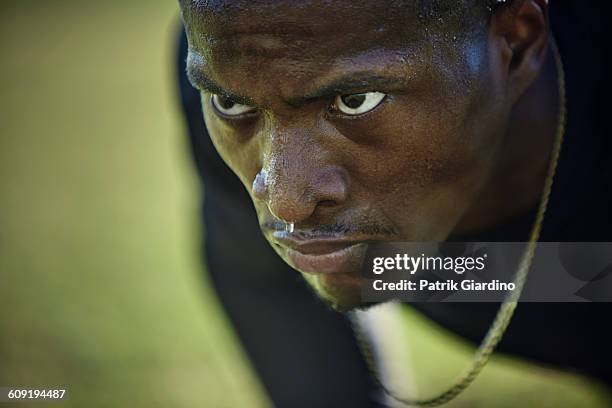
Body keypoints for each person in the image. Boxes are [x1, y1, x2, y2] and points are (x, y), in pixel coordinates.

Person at [176, 1, 612, 406]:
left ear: (514, 43)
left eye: (355, 101)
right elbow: (261, 279)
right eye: (231, 103)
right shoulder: (243, 52)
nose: (286, 200)